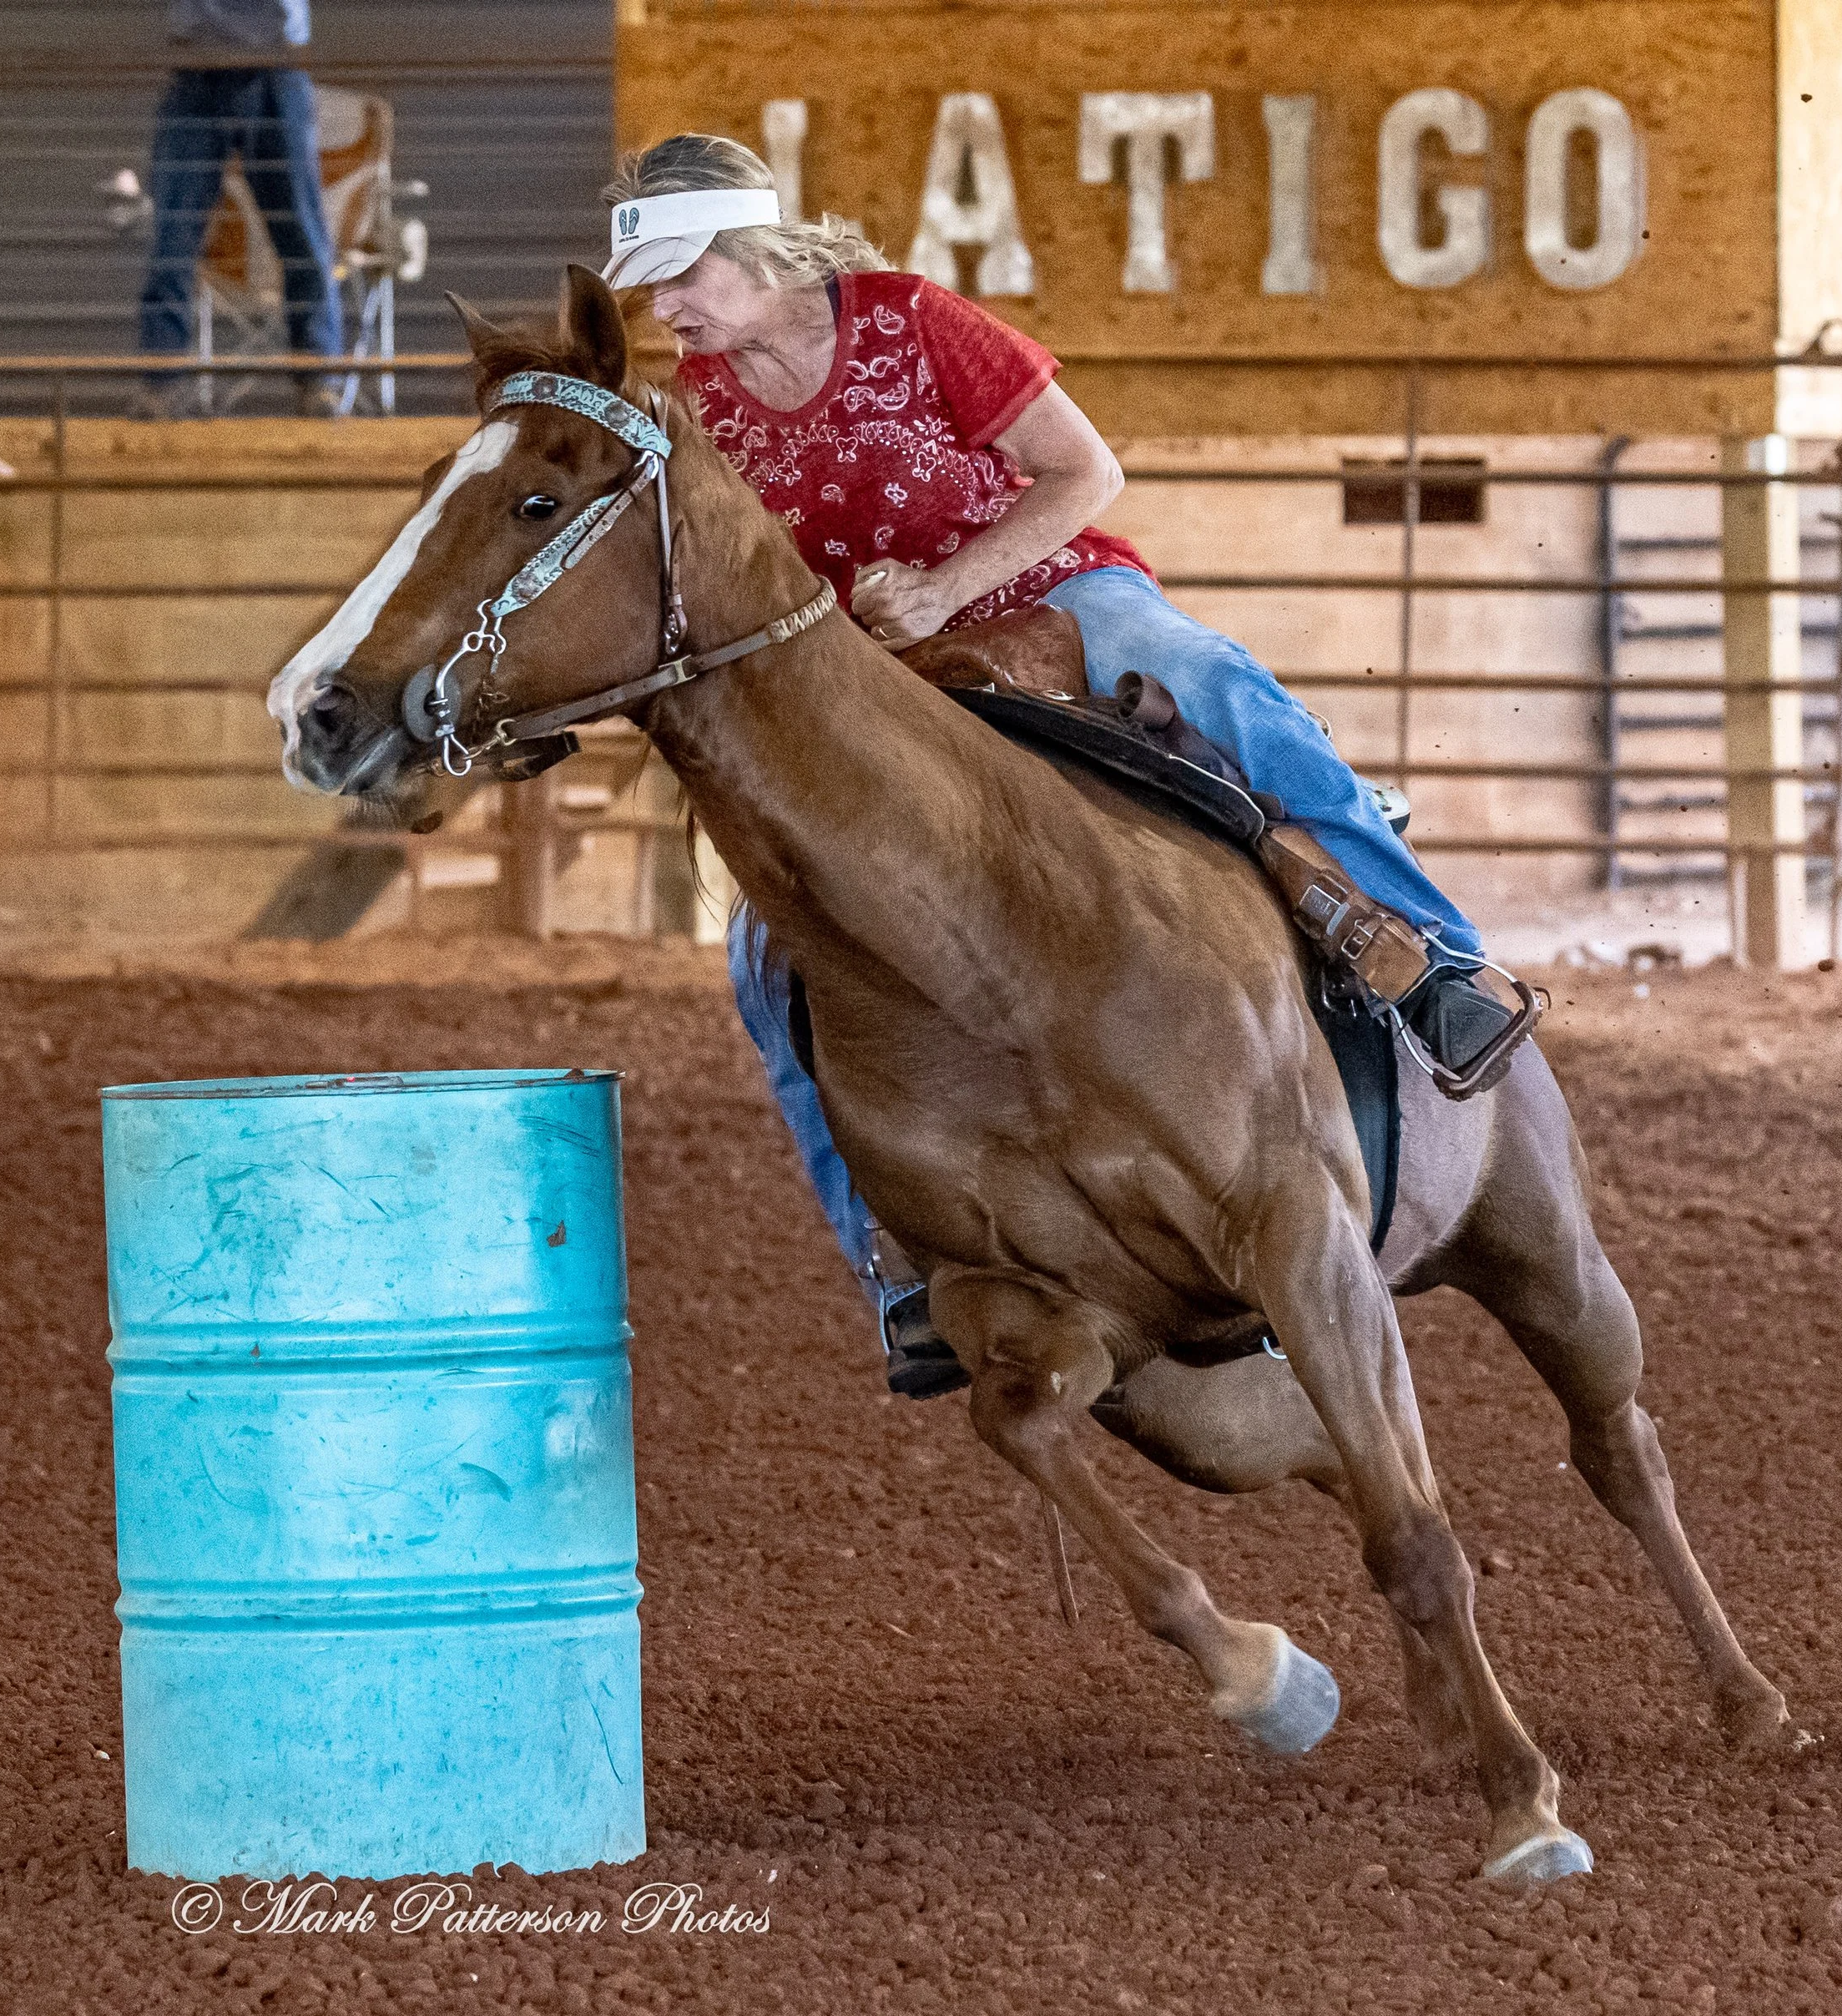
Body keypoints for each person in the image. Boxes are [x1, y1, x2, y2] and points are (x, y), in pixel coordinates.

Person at [600, 135, 1522, 1392]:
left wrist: (945, 586)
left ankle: (1433, 958)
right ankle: (901, 1266)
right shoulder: (701, 406)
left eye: (680, 276)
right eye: (652, 286)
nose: (666, 309)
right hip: (892, 678)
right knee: (770, 945)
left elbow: (1085, 470)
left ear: (751, 251)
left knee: (1210, 681)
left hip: (1058, 595)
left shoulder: (910, 322)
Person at [135, 0, 344, 417]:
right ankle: (160, 383)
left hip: (276, 67)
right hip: (198, 69)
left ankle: (319, 378)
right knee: (172, 240)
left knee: (301, 234)